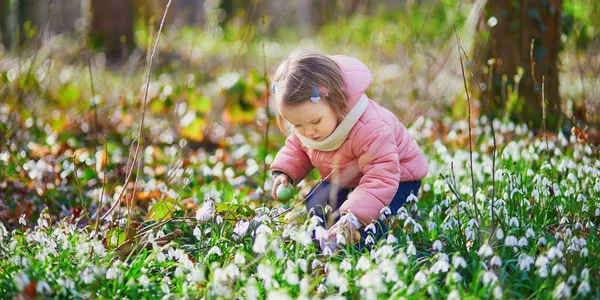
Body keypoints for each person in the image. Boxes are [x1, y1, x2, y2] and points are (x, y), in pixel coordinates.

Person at [269, 49, 428, 250]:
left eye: (315, 121)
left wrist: (353, 218)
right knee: (317, 206)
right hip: (348, 173)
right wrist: (284, 173)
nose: (308, 132)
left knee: (370, 229)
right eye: (297, 125)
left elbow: (381, 179)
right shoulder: (309, 125)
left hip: (396, 178)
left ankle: (365, 250)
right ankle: (323, 246)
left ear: (335, 102)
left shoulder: (370, 128)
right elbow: (297, 148)